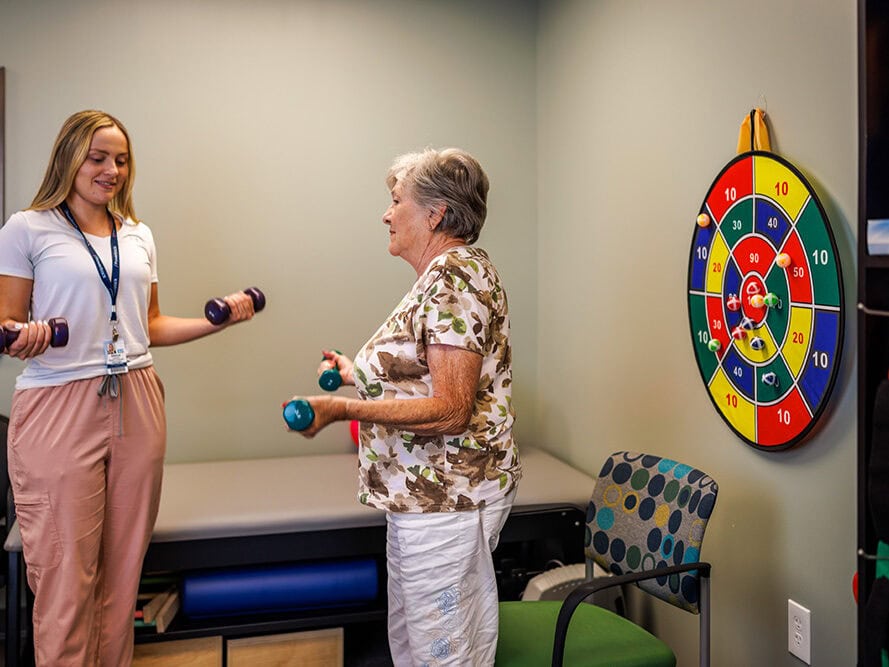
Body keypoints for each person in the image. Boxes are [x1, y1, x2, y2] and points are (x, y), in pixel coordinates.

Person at [0, 110, 257, 666]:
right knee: (68, 582)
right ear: (68, 158)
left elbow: (151, 325)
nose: (111, 170)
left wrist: (219, 321)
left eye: (120, 159)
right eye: (97, 158)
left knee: (122, 581)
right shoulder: (27, 229)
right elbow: (8, 323)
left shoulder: (137, 234)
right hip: (58, 401)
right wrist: (28, 337)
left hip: (137, 396)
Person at [290, 147, 521, 666]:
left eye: (396, 202)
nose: (386, 214)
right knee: (415, 647)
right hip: (422, 498)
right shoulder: (442, 276)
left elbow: (450, 408)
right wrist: (358, 373)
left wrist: (341, 409)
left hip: (448, 502)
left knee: (443, 655)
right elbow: (424, 373)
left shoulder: (455, 278)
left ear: (435, 214)